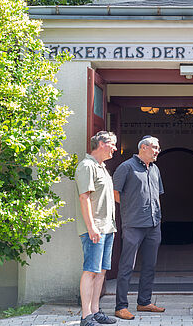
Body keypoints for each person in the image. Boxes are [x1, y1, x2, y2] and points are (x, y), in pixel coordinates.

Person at [113, 135, 166, 320]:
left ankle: (144, 302)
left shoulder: (155, 169)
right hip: (133, 224)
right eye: (154, 147)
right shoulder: (126, 167)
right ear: (143, 147)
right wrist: (129, 208)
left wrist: (158, 217)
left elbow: (157, 195)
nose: (157, 150)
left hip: (153, 224)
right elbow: (115, 192)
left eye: (158, 147)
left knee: (150, 265)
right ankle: (121, 306)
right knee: (127, 265)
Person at [75, 131, 119, 326]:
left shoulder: (102, 167)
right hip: (95, 229)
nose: (115, 149)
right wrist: (91, 227)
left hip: (107, 228)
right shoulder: (86, 166)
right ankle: (86, 316)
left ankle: (95, 311)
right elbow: (84, 198)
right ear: (102, 144)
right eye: (113, 145)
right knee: (90, 270)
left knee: (101, 271)